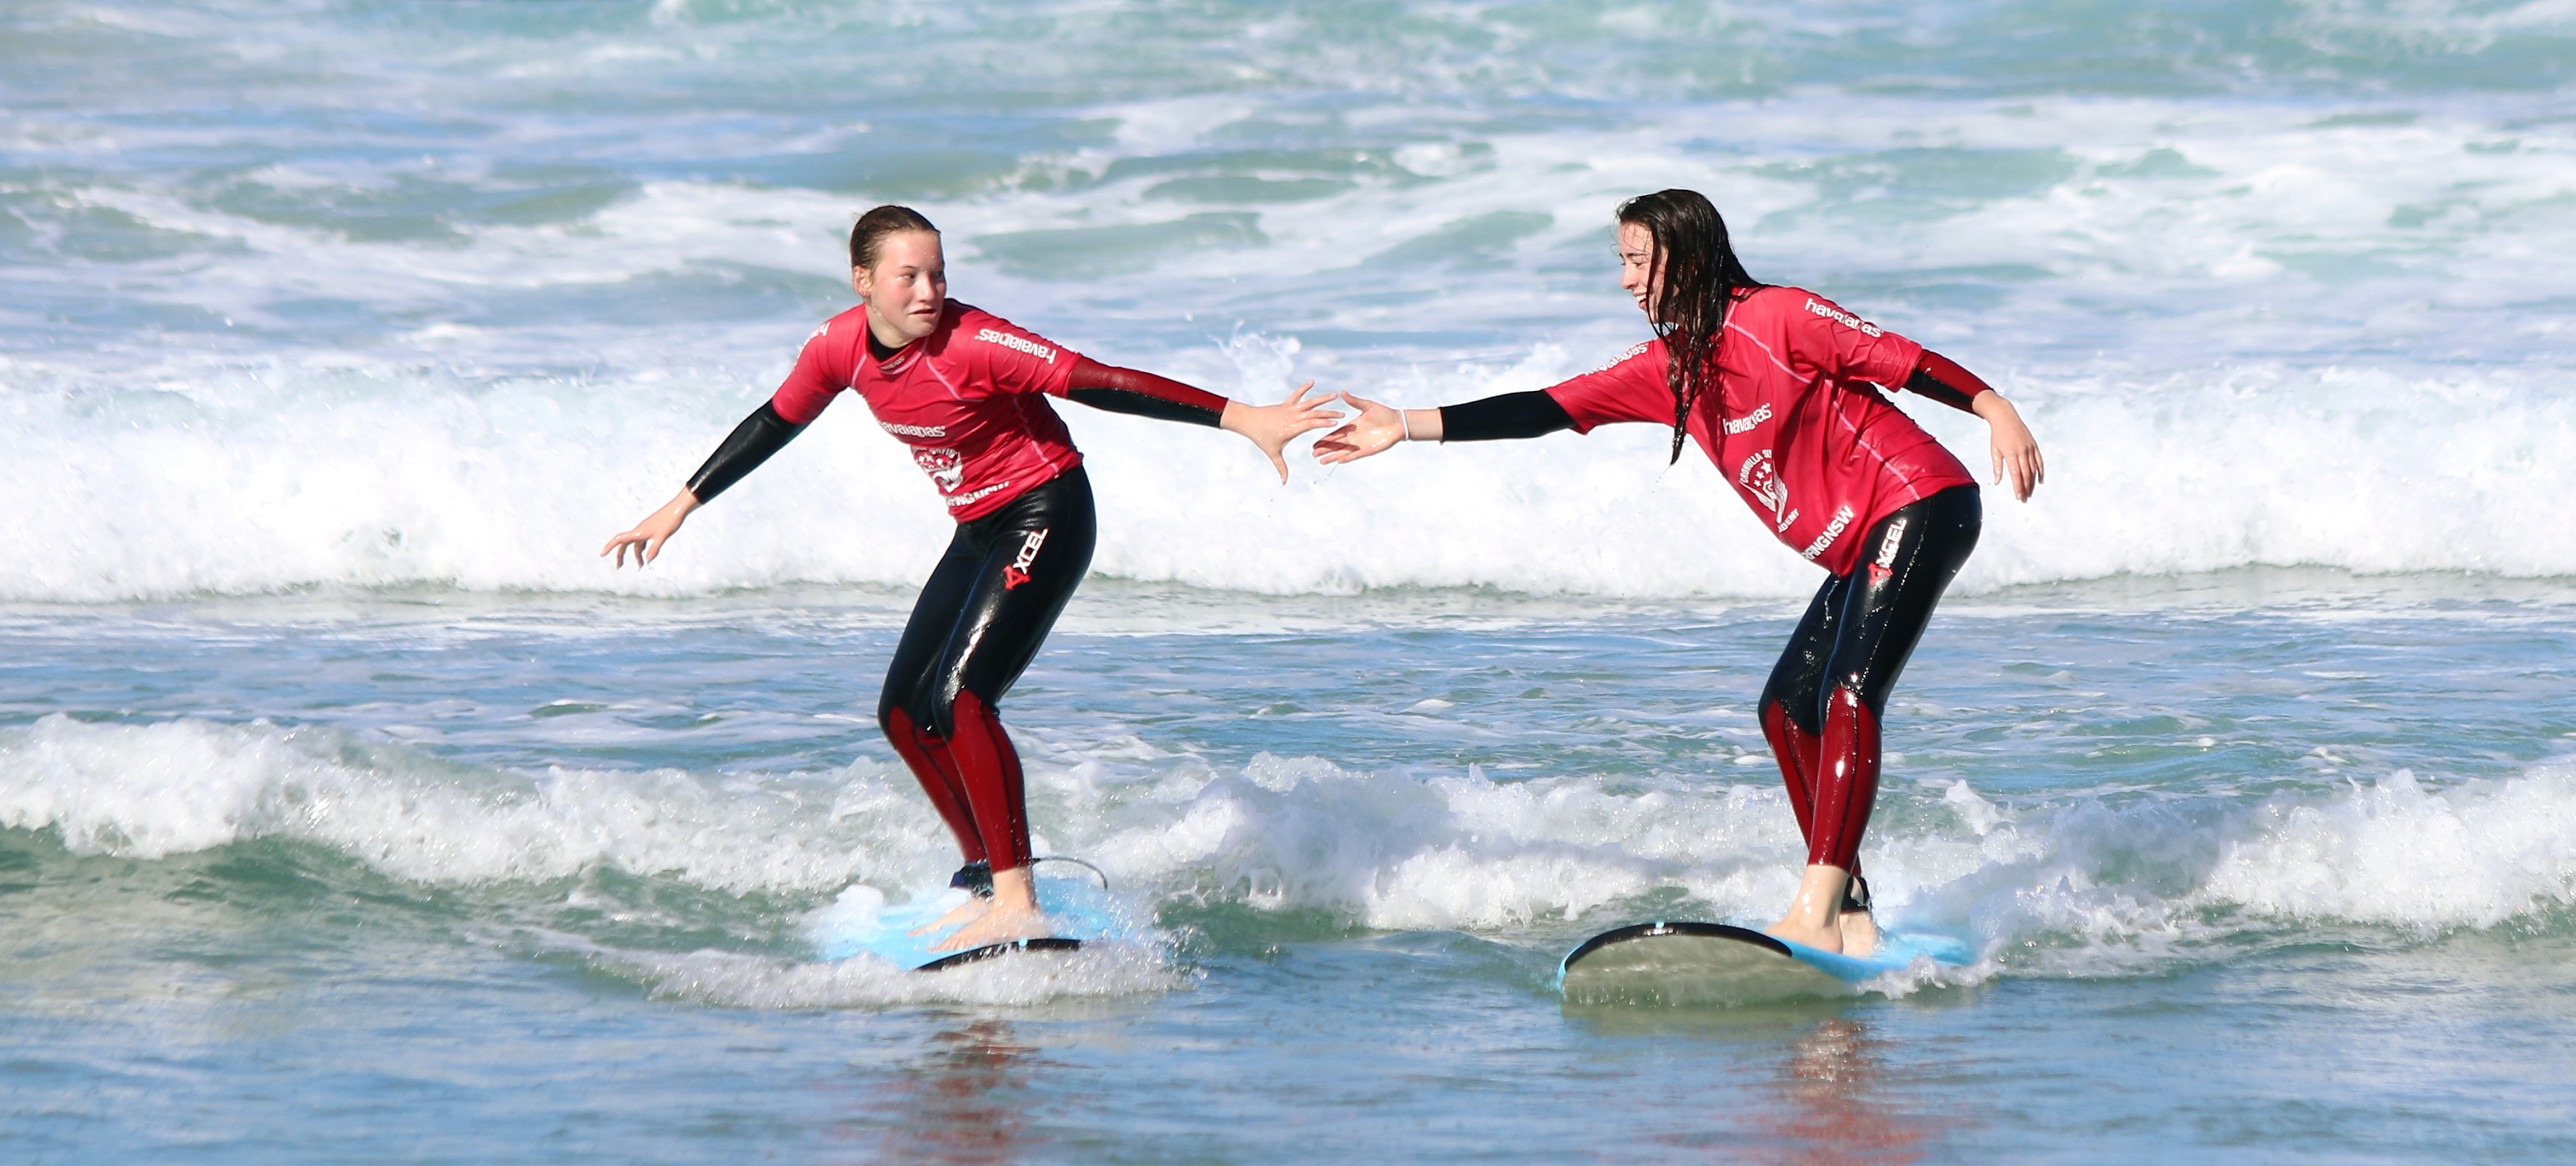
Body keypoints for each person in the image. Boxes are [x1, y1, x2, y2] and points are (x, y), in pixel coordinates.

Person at [1313, 189, 2043, 956]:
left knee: (1850, 691)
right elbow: (1546, 407)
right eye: (1622, 263)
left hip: (1920, 498)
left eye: (1638, 261)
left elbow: (1901, 358)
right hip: (1865, 538)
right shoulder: (1672, 367)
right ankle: (1852, 910)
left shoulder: (1779, 316)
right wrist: (1407, 425)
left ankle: (1818, 907)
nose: (1627, 281)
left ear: (1685, 258)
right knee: (1786, 711)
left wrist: (1994, 406)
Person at [603, 204, 1339, 953]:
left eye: (939, 273)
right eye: (909, 276)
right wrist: (682, 504)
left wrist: (1239, 415)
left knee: (964, 700)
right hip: (979, 527)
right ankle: (985, 876)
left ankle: (1018, 899)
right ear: (863, 281)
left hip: (1046, 512)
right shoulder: (837, 348)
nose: (929, 291)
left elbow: (1100, 380)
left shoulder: (979, 342)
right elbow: (776, 420)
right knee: (903, 711)